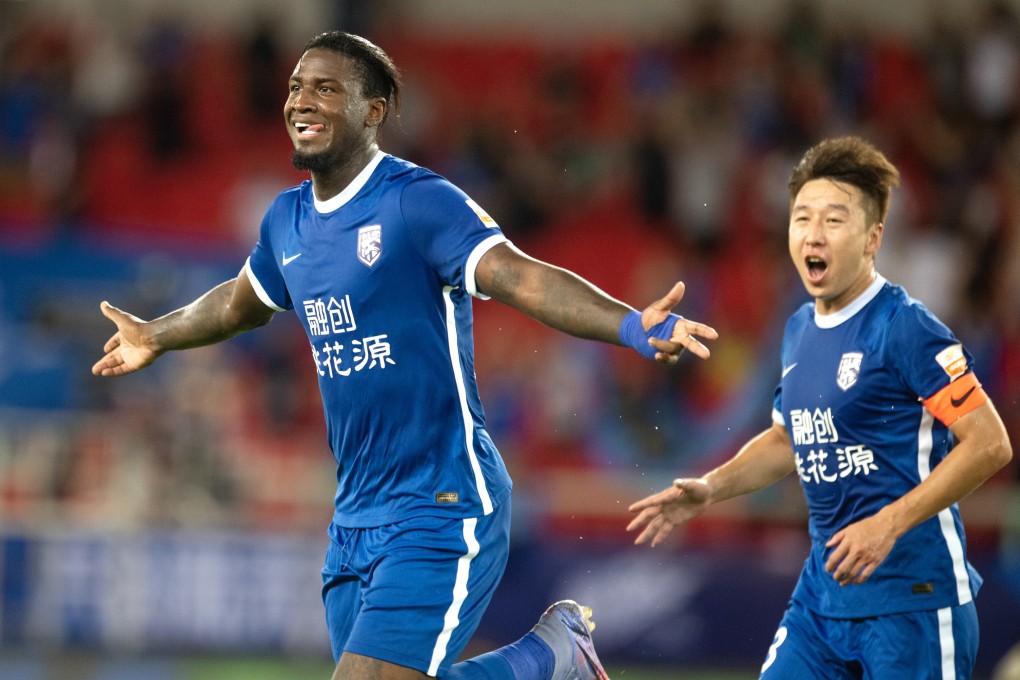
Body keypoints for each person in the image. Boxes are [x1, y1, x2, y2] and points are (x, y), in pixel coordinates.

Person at [92, 30, 719, 680]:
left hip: (441, 499)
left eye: (326, 88)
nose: (301, 100)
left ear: (374, 109)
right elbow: (236, 303)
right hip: (355, 516)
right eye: (296, 87)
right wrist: (157, 334)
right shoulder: (287, 222)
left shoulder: (416, 202)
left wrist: (627, 325)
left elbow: (521, 276)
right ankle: (555, 655)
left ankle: (551, 655)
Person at [627, 136, 1012, 679]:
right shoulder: (799, 330)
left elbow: (990, 443)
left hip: (914, 601)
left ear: (873, 237)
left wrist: (888, 523)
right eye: (802, 217)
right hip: (822, 602)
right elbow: (788, 438)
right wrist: (711, 487)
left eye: (834, 220)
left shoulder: (906, 327)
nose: (813, 233)